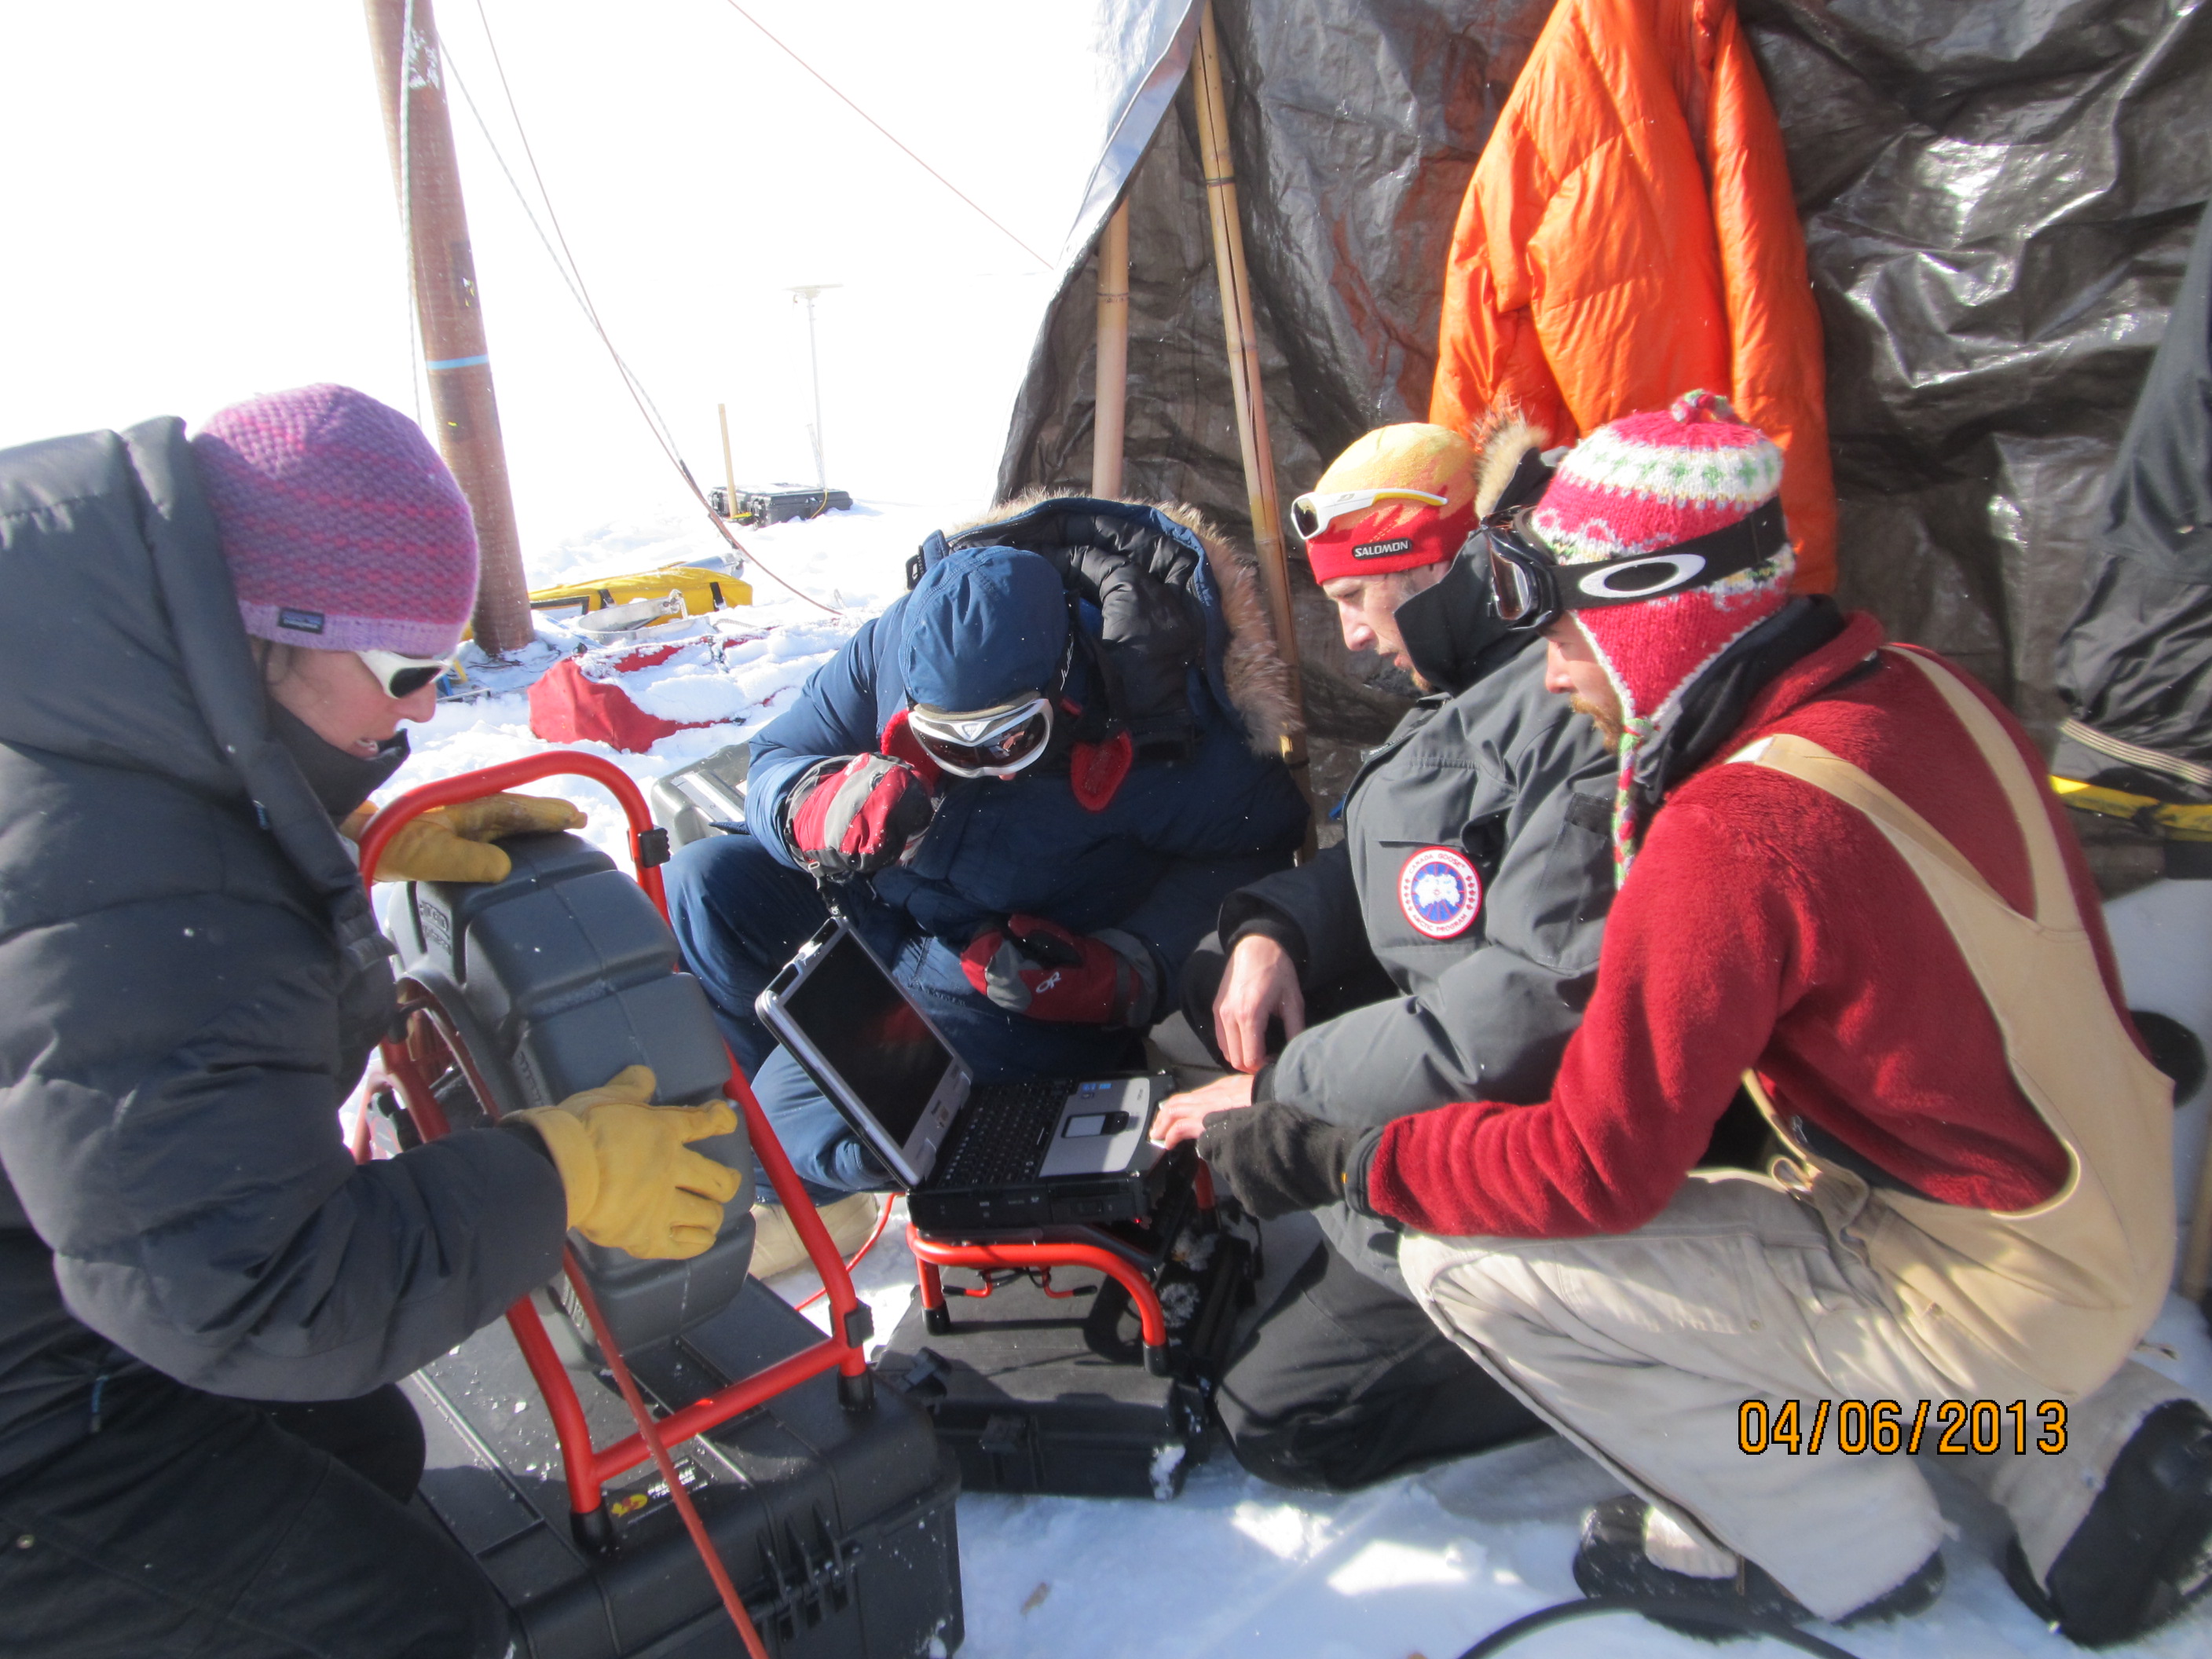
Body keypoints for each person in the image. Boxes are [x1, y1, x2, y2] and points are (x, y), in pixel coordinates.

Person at [1182, 393, 2212, 1644]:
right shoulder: (1916, 688)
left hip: (1971, 1265)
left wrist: (1343, 1157)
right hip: (2082, 1200)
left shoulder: (1732, 828)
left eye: (1566, 630)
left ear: (1652, 602)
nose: (1553, 671)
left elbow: (1594, 1168)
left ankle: (1824, 1538)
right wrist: (1278, 931)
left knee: (1467, 1259)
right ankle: (2068, 1436)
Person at [0, 386, 744, 1658]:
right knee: (420, 1627)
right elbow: (251, 1290)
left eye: (443, 673)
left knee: (371, 1438)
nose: (418, 715)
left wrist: (335, 836)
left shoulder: (82, 682)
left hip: (75, 1264)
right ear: (265, 633)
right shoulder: (126, 893)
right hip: (37, 1413)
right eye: (404, 674)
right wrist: (550, 1173)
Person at [1148, 419, 1621, 1490]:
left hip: (1496, 1147)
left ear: (1432, 576)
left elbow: (1524, 1016)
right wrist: (1278, 930)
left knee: (1279, 1420)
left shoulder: (1561, 708)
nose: (1352, 639)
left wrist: (1281, 1094)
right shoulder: (1469, 685)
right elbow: (1409, 863)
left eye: (1356, 603)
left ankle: (1596, 1355)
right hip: (1434, 1063)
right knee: (1202, 998)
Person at [665, 496, 1309, 1270]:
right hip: (877, 905)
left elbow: (1254, 848)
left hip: (1004, 976)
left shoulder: (1153, 712)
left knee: (799, 1118)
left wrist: (1132, 966)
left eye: (1007, 741)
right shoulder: (891, 647)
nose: (973, 766)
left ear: (1063, 685)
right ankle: (774, 1160)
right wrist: (816, 807)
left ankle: (816, 1169)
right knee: (703, 885)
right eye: (947, 744)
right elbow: (774, 760)